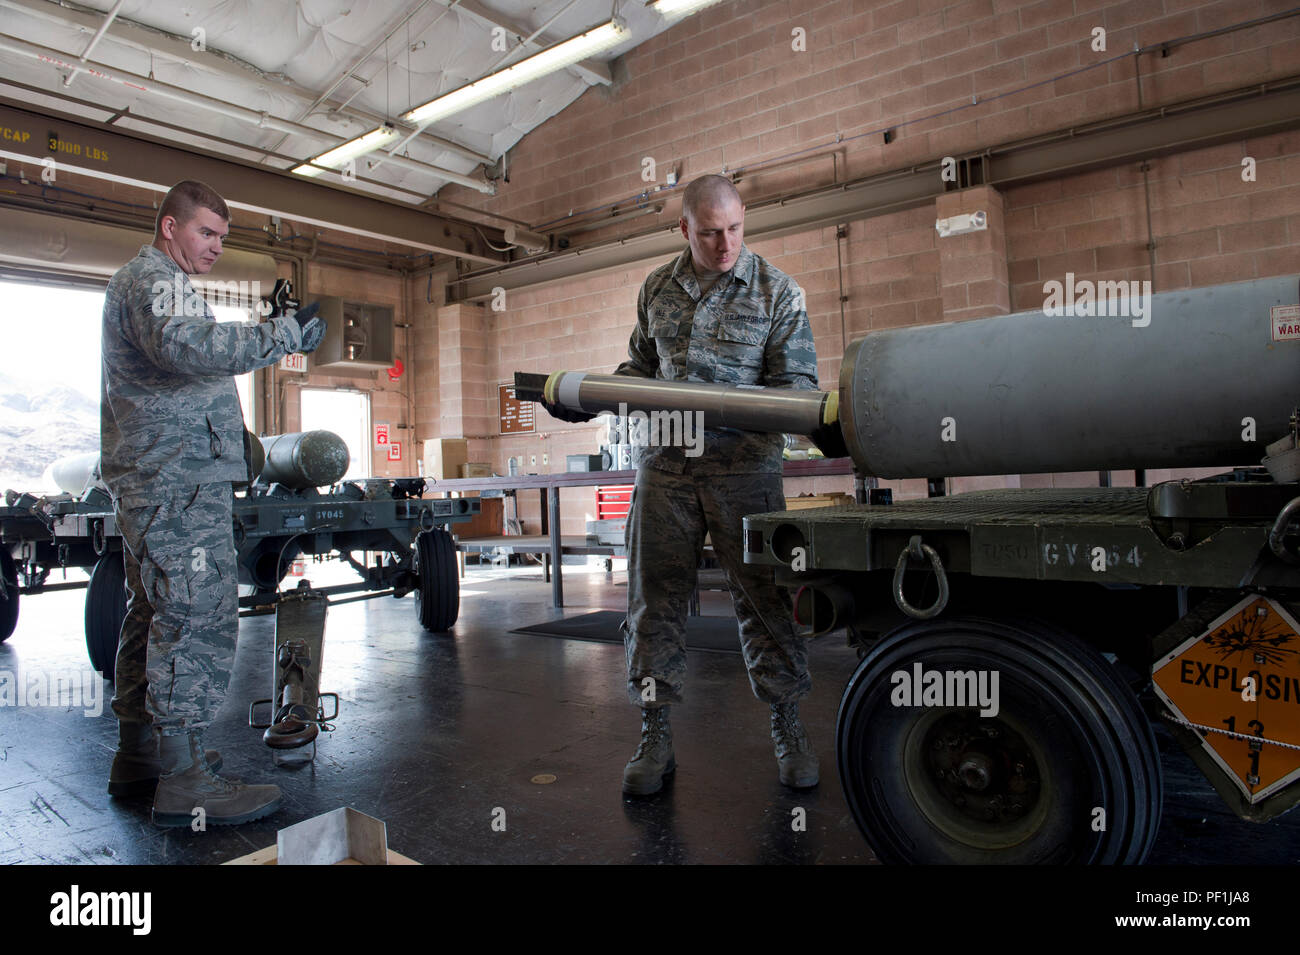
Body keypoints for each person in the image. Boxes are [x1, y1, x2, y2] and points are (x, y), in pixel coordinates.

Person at [546, 174, 825, 795]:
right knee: (653, 604)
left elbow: (799, 388)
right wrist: (591, 398)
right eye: (709, 233)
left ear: (744, 220)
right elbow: (638, 369)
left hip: (745, 475)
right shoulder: (656, 289)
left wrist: (736, 407)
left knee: (765, 602)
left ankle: (787, 724)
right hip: (666, 472)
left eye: (734, 230)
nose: (724, 245)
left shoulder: (778, 291)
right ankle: (654, 734)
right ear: (684, 229)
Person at [102, 179, 325, 826]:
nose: (216, 247)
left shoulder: (153, 283)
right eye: (206, 233)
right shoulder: (155, 282)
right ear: (170, 227)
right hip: (175, 478)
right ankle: (187, 781)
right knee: (194, 615)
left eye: (223, 238)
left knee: (154, 610)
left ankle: (143, 757)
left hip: (163, 475)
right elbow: (188, 346)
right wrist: (280, 335)